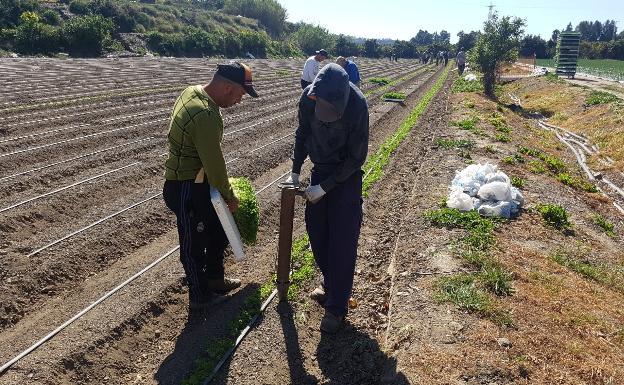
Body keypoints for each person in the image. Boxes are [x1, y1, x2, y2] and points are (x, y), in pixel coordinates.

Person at [163, 62, 259, 312]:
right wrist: (229, 195)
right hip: (186, 187)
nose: (240, 100)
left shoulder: (192, 92)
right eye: (240, 94)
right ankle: (200, 296)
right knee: (193, 243)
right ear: (227, 87)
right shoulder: (203, 114)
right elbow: (214, 163)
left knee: (218, 228)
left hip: (197, 182)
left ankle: (215, 278)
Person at [286, 63, 369, 334]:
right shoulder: (307, 99)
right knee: (316, 232)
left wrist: (328, 186)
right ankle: (331, 284)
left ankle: (336, 307)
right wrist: (296, 171)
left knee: (342, 242)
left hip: (346, 177)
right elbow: (303, 134)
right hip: (319, 170)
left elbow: (356, 158)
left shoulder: (358, 106)